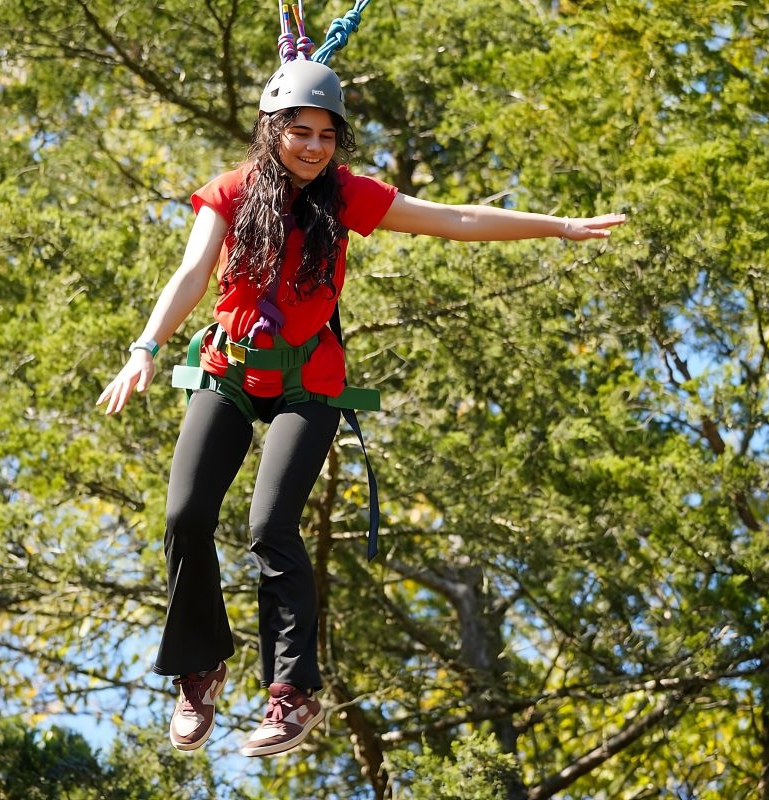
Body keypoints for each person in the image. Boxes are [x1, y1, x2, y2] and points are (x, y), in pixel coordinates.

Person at [96, 57, 626, 757]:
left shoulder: (345, 197)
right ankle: (200, 668)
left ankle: (292, 696)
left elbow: (455, 219)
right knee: (185, 516)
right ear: (272, 129)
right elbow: (192, 273)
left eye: (326, 134)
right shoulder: (229, 192)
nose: (314, 146)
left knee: (270, 526)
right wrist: (146, 347)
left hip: (308, 382)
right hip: (229, 371)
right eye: (300, 131)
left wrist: (556, 227)